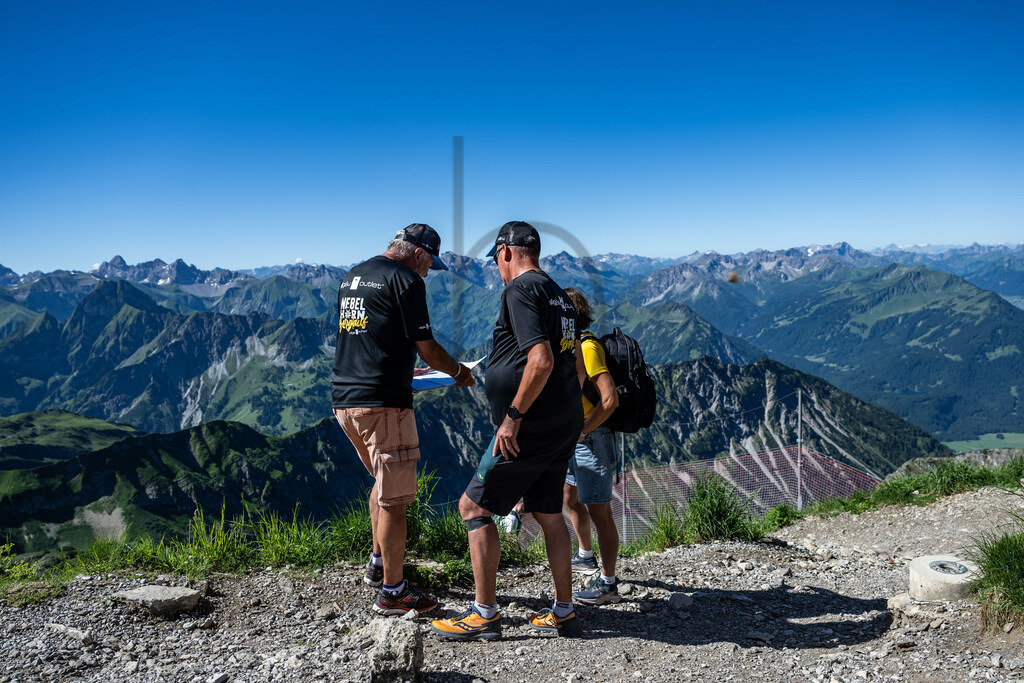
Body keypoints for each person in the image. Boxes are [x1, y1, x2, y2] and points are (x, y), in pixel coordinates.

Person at [430, 221, 584, 641]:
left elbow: (542, 360)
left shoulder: (520, 290)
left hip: (529, 426)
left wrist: (512, 417)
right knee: (549, 512)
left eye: (496, 260)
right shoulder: (557, 294)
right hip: (561, 422)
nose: (497, 268)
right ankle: (565, 610)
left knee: (473, 508)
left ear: (505, 252)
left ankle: (484, 615)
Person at [331, 223, 475, 617]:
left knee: (381, 483)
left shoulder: (353, 276)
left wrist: (400, 369)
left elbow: (368, 338)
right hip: (384, 404)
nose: (429, 272)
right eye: (430, 264)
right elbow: (427, 348)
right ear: (418, 253)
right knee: (395, 498)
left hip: (346, 400)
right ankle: (393, 593)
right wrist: (460, 372)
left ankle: (379, 565)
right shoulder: (407, 282)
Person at [562, 287, 623, 606]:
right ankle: (586, 555)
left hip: (592, 441)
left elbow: (610, 400)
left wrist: (583, 431)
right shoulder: (569, 348)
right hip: (577, 440)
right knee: (569, 498)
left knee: (600, 512)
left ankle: (608, 583)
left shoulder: (587, 349)